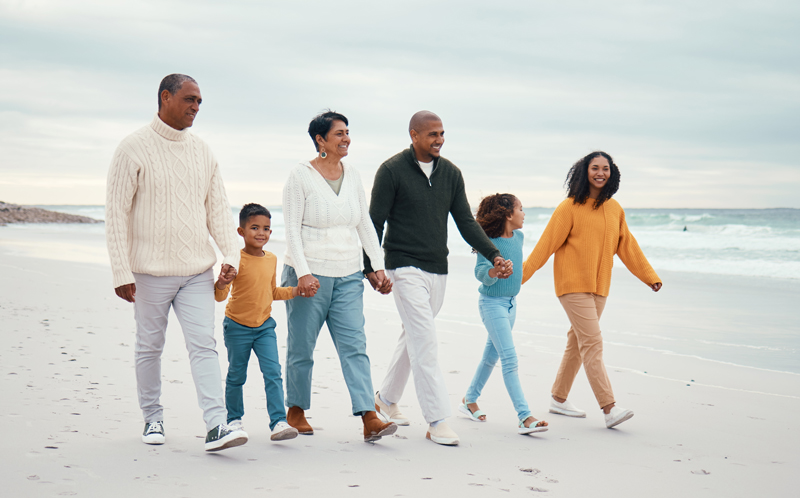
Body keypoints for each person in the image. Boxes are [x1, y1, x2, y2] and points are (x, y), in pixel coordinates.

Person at [105, 73, 248, 451]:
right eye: (189, 99)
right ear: (165, 97)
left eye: (200, 102)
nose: (195, 108)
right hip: (148, 273)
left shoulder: (203, 151)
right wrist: (121, 270)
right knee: (149, 347)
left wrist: (229, 256)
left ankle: (216, 425)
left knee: (204, 344)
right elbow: (116, 213)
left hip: (196, 272)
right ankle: (152, 418)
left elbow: (217, 210)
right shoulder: (132, 147)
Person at [364, 111, 512, 446]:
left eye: (442, 133)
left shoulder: (451, 174)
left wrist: (494, 255)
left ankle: (385, 399)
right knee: (425, 340)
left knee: (415, 335)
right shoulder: (391, 171)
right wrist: (371, 268)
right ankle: (437, 420)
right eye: (432, 134)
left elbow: (465, 222)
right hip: (402, 266)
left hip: (437, 268)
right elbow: (374, 222)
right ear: (414, 135)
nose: (439, 140)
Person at [522, 151, 663, 429]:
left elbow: (627, 246)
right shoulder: (569, 207)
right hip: (572, 286)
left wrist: (649, 276)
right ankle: (609, 408)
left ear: (612, 173)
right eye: (595, 168)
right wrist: (517, 280)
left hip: (600, 288)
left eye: (606, 169)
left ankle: (558, 399)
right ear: (584, 172)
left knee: (577, 342)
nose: (600, 173)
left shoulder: (614, 209)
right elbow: (545, 246)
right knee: (593, 343)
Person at [281, 110, 397, 443]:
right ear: (320, 140)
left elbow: (364, 224)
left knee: (354, 346)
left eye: (348, 132)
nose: (346, 139)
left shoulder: (354, 175)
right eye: (338, 134)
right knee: (302, 347)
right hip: (309, 275)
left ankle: (368, 417)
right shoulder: (299, 176)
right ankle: (296, 410)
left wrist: (376, 267)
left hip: (348, 274)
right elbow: (290, 228)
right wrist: (302, 273)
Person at [460, 194, 549, 435]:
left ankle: (469, 400)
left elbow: (520, 267)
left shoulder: (519, 237)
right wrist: (494, 272)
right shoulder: (487, 241)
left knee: (491, 357)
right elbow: (480, 272)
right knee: (509, 359)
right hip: (492, 305)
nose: (523, 213)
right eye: (521, 209)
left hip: (511, 305)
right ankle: (524, 416)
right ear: (509, 214)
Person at [214, 203, 302, 442]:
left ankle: (278, 422)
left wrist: (295, 291)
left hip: (264, 327)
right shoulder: (235, 260)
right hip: (237, 327)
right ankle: (233, 420)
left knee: (273, 373)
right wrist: (221, 282)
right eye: (254, 227)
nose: (261, 233)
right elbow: (220, 295)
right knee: (236, 375)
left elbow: (271, 291)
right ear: (241, 231)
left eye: (266, 228)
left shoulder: (271, 258)